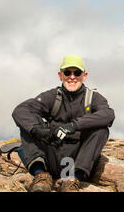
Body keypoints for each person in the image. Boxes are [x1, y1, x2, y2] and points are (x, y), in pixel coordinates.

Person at [12, 54, 115, 192]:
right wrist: (38, 130)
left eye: (77, 73)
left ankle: (73, 180)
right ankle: (41, 176)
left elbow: (108, 115)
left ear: (84, 76)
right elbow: (21, 110)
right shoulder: (52, 96)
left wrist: (74, 125)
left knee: (101, 130)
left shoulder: (94, 98)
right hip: (52, 156)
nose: (72, 77)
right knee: (28, 125)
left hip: (77, 159)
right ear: (61, 76)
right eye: (67, 72)